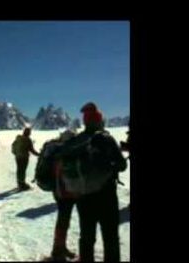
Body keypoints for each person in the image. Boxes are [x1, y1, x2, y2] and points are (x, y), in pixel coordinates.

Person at [62, 102, 127, 262]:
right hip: (107, 196)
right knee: (110, 236)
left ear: (85, 122)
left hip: (83, 197)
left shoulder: (76, 141)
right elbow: (122, 165)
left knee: (86, 236)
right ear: (99, 121)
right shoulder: (106, 139)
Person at [48, 129, 78, 261]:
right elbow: (61, 175)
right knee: (63, 222)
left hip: (61, 193)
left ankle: (61, 248)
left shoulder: (58, 151)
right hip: (65, 194)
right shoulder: (64, 154)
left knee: (63, 222)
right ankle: (57, 251)